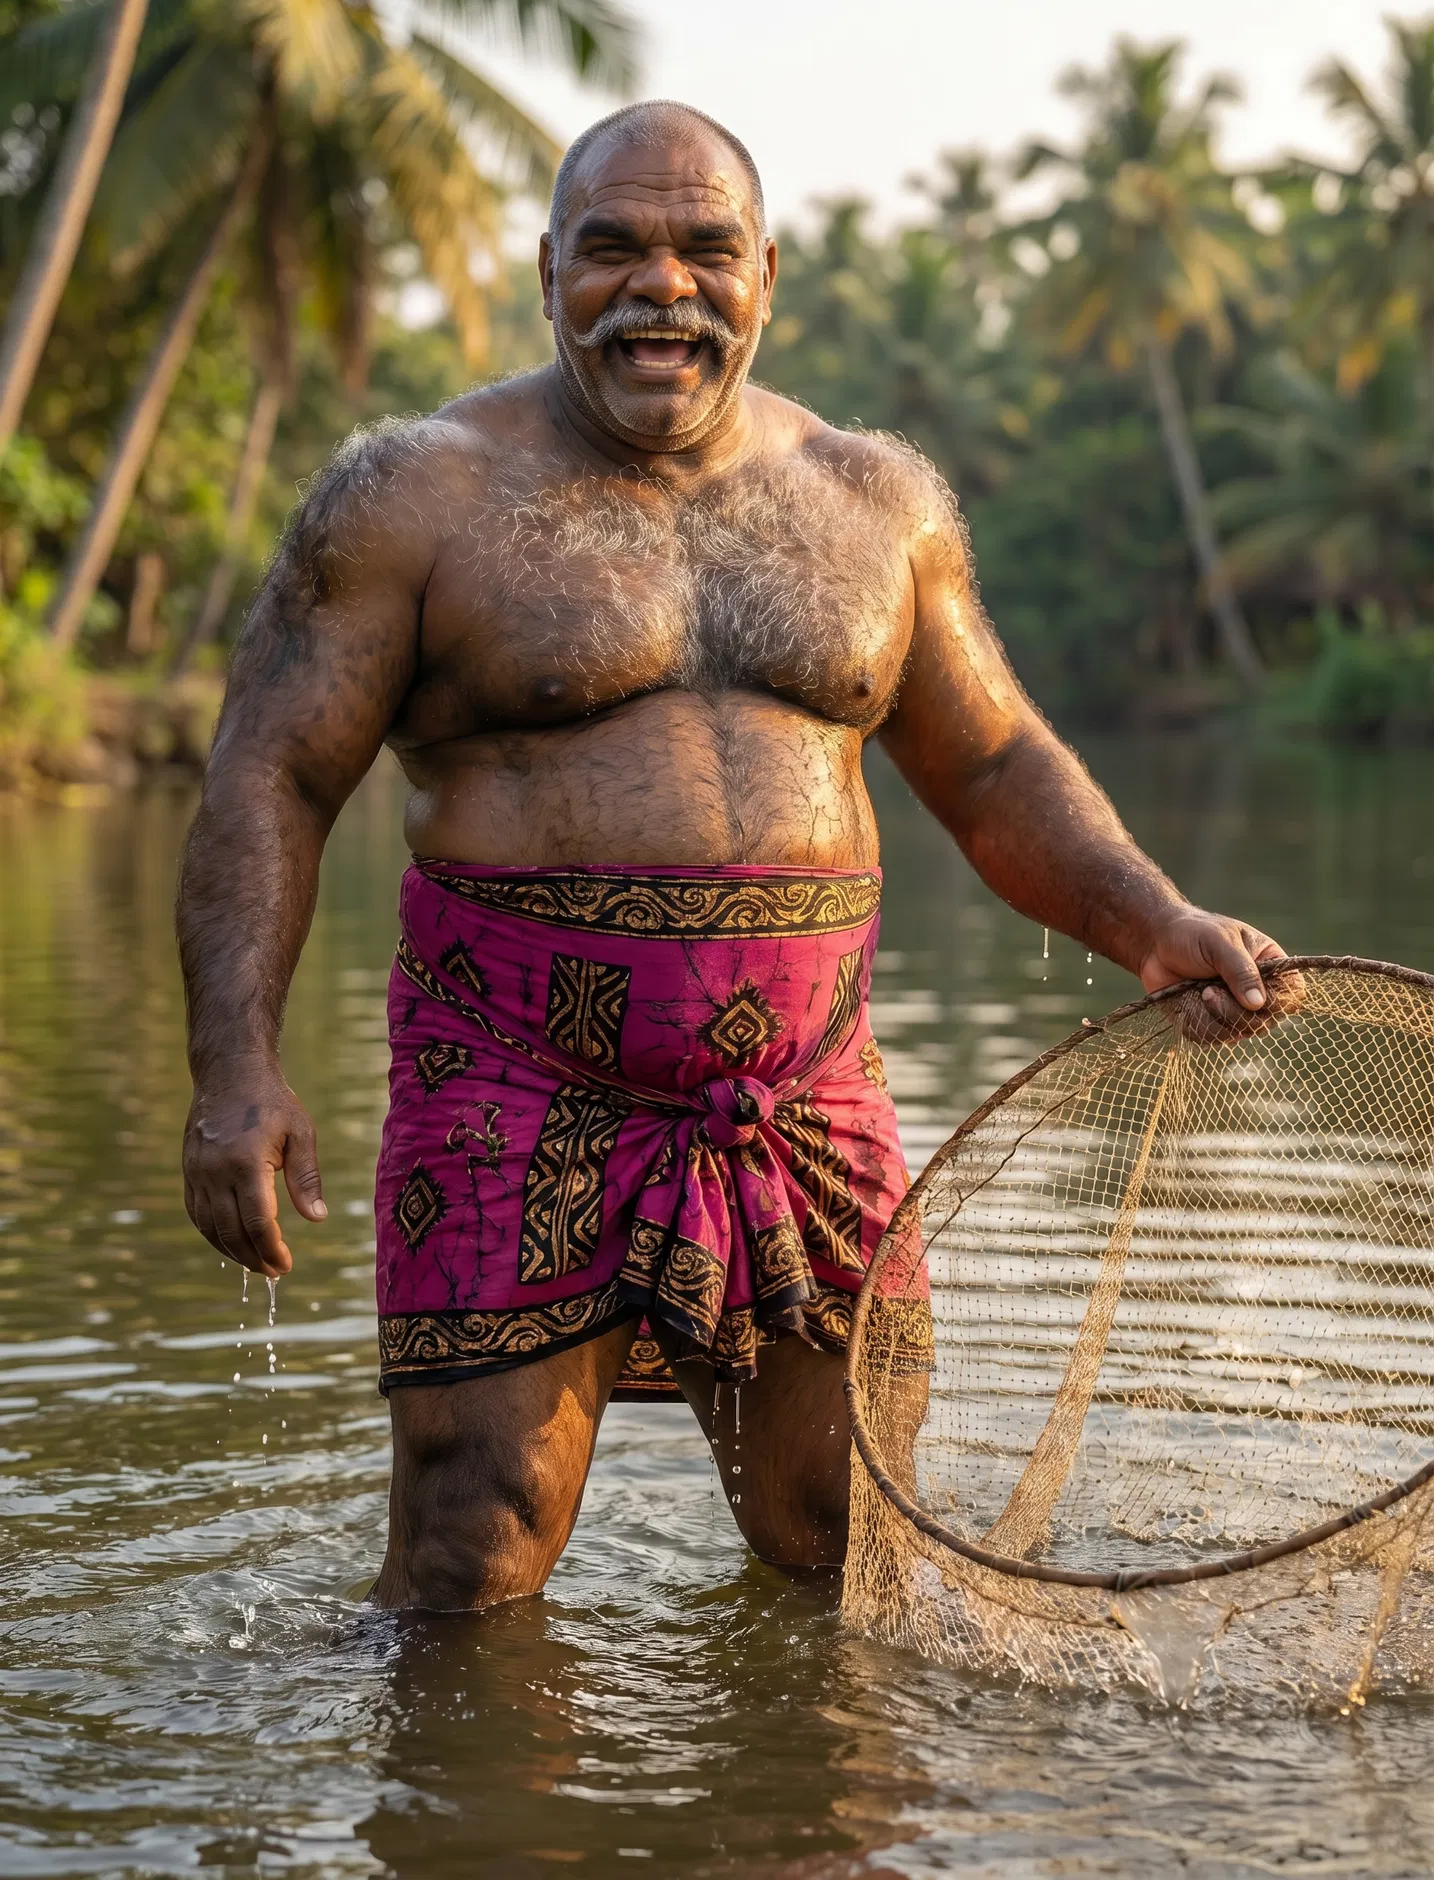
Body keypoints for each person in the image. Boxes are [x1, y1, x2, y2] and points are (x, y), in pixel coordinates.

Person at [176, 100, 1286, 1610]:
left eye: (706, 248)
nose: (662, 285)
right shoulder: (414, 496)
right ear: (547, 272)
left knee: (847, 1537)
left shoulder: (874, 500)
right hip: (515, 1088)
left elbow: (991, 766)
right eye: (613, 249)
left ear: (766, 274)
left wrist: (1152, 920)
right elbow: (272, 777)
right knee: (471, 1544)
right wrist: (236, 1071)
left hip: (803, 1095)